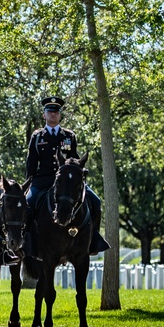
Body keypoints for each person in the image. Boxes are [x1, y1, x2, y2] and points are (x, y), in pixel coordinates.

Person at [24, 96, 109, 254]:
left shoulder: (69, 136)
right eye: (50, 111)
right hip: (43, 180)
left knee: (95, 202)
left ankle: (93, 240)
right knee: (28, 204)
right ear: (44, 115)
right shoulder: (37, 137)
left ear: (60, 115)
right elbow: (31, 163)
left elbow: (75, 158)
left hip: (68, 182)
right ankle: (28, 244)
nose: (53, 114)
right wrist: (28, 185)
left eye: (56, 112)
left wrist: (80, 172)